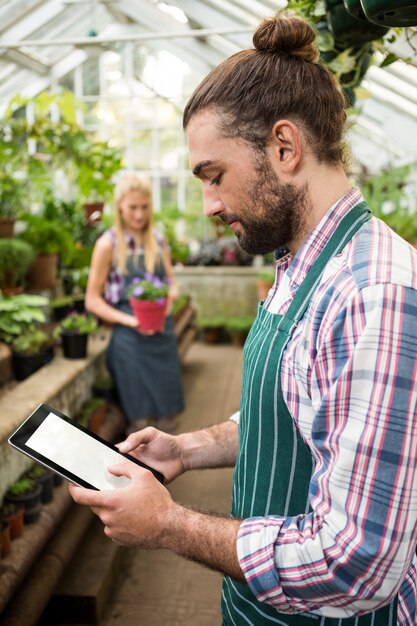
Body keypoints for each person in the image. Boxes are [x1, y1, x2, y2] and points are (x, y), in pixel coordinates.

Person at [70, 15, 417, 625]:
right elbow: (295, 410)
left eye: (214, 176)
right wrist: (187, 448)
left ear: (285, 148)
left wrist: (170, 525)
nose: (208, 205)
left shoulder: (373, 294)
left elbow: (354, 564)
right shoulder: (302, 261)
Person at [85, 171, 184, 433]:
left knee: (167, 419)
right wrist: (133, 320)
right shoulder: (108, 244)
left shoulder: (157, 239)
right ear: (119, 206)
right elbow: (92, 300)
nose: (139, 215)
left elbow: (171, 282)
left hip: (161, 331)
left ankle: (166, 468)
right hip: (129, 336)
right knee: (140, 422)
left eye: (144, 207)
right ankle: (140, 471)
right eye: (132, 208)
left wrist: (169, 299)